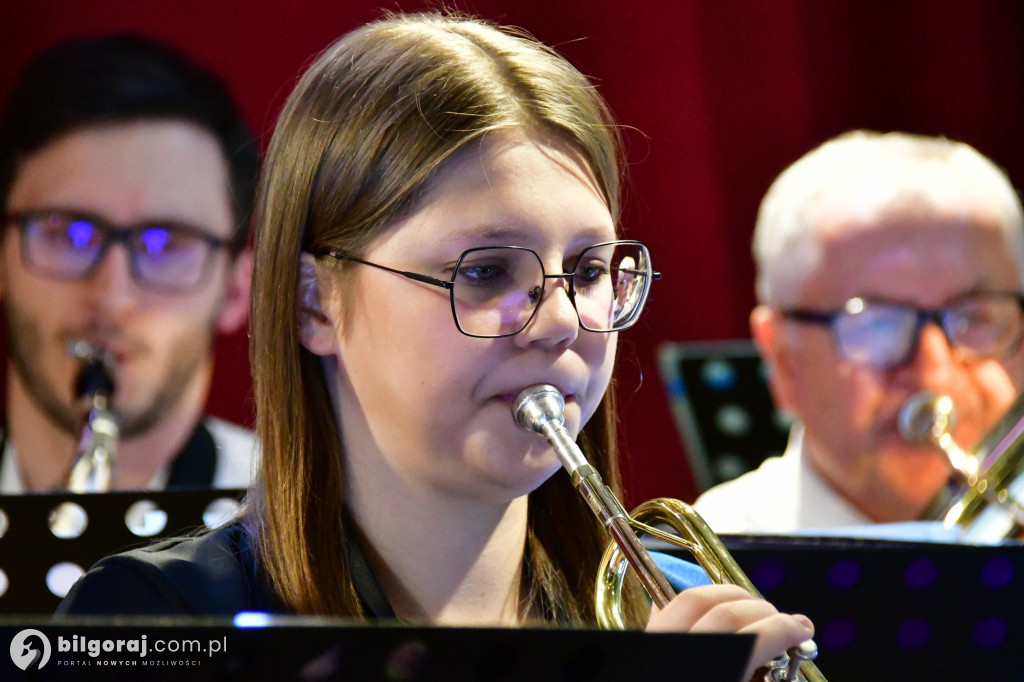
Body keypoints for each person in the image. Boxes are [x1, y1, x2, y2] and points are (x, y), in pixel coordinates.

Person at [58, 14, 815, 679]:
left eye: (587, 270)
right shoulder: (156, 621)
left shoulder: (673, 606)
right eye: (485, 271)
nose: (560, 323)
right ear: (313, 304)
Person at [694, 131, 1024, 534]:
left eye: (975, 317)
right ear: (783, 359)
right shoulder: (710, 562)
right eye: (876, 324)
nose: (934, 375)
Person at [0, 35, 260, 491]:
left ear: (237, 288)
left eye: (165, 245)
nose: (112, 298)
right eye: (69, 233)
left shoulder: (310, 526)